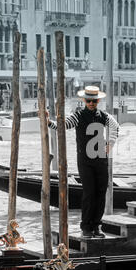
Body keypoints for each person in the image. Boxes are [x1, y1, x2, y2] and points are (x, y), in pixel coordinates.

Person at [47, 86, 120, 239]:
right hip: (85, 161)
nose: (91, 103)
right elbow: (63, 126)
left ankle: (96, 226)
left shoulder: (104, 116)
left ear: (98, 101)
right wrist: (48, 122)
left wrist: (110, 143)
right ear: (84, 101)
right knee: (89, 193)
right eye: (88, 101)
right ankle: (86, 227)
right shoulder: (78, 115)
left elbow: (115, 127)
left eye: (94, 101)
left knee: (101, 193)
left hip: (101, 159)